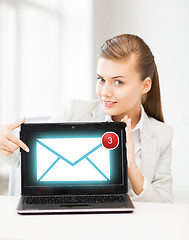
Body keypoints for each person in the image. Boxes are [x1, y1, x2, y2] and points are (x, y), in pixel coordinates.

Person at [0, 34, 173, 202]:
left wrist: (132, 169)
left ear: (145, 85)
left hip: (132, 226)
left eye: (118, 82)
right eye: (101, 80)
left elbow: (164, 203)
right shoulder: (74, 111)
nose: (105, 92)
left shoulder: (162, 135)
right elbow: (22, 159)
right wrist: (3, 140)